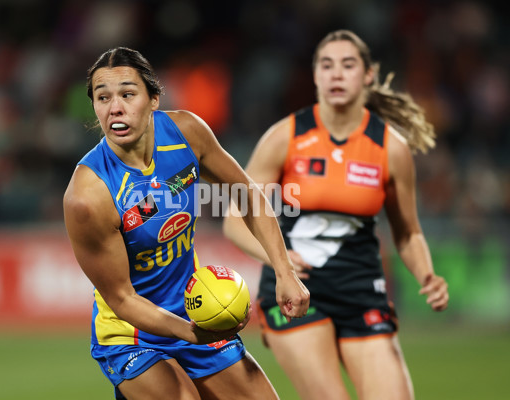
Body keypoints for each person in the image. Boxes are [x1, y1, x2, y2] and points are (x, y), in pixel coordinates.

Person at [63, 47, 309, 400]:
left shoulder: (187, 133)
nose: (115, 107)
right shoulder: (88, 196)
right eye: (103, 97)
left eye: (128, 94)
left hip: (194, 311)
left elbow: (248, 196)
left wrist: (284, 272)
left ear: (154, 100)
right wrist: (190, 333)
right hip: (132, 334)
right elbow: (122, 298)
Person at [223, 30, 449, 400]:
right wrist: (280, 263)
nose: (336, 74)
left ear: (368, 75)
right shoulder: (285, 136)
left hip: (362, 290)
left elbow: (408, 233)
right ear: (315, 76)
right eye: (326, 65)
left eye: (348, 65)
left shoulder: (391, 147)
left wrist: (427, 274)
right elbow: (235, 219)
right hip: (297, 292)